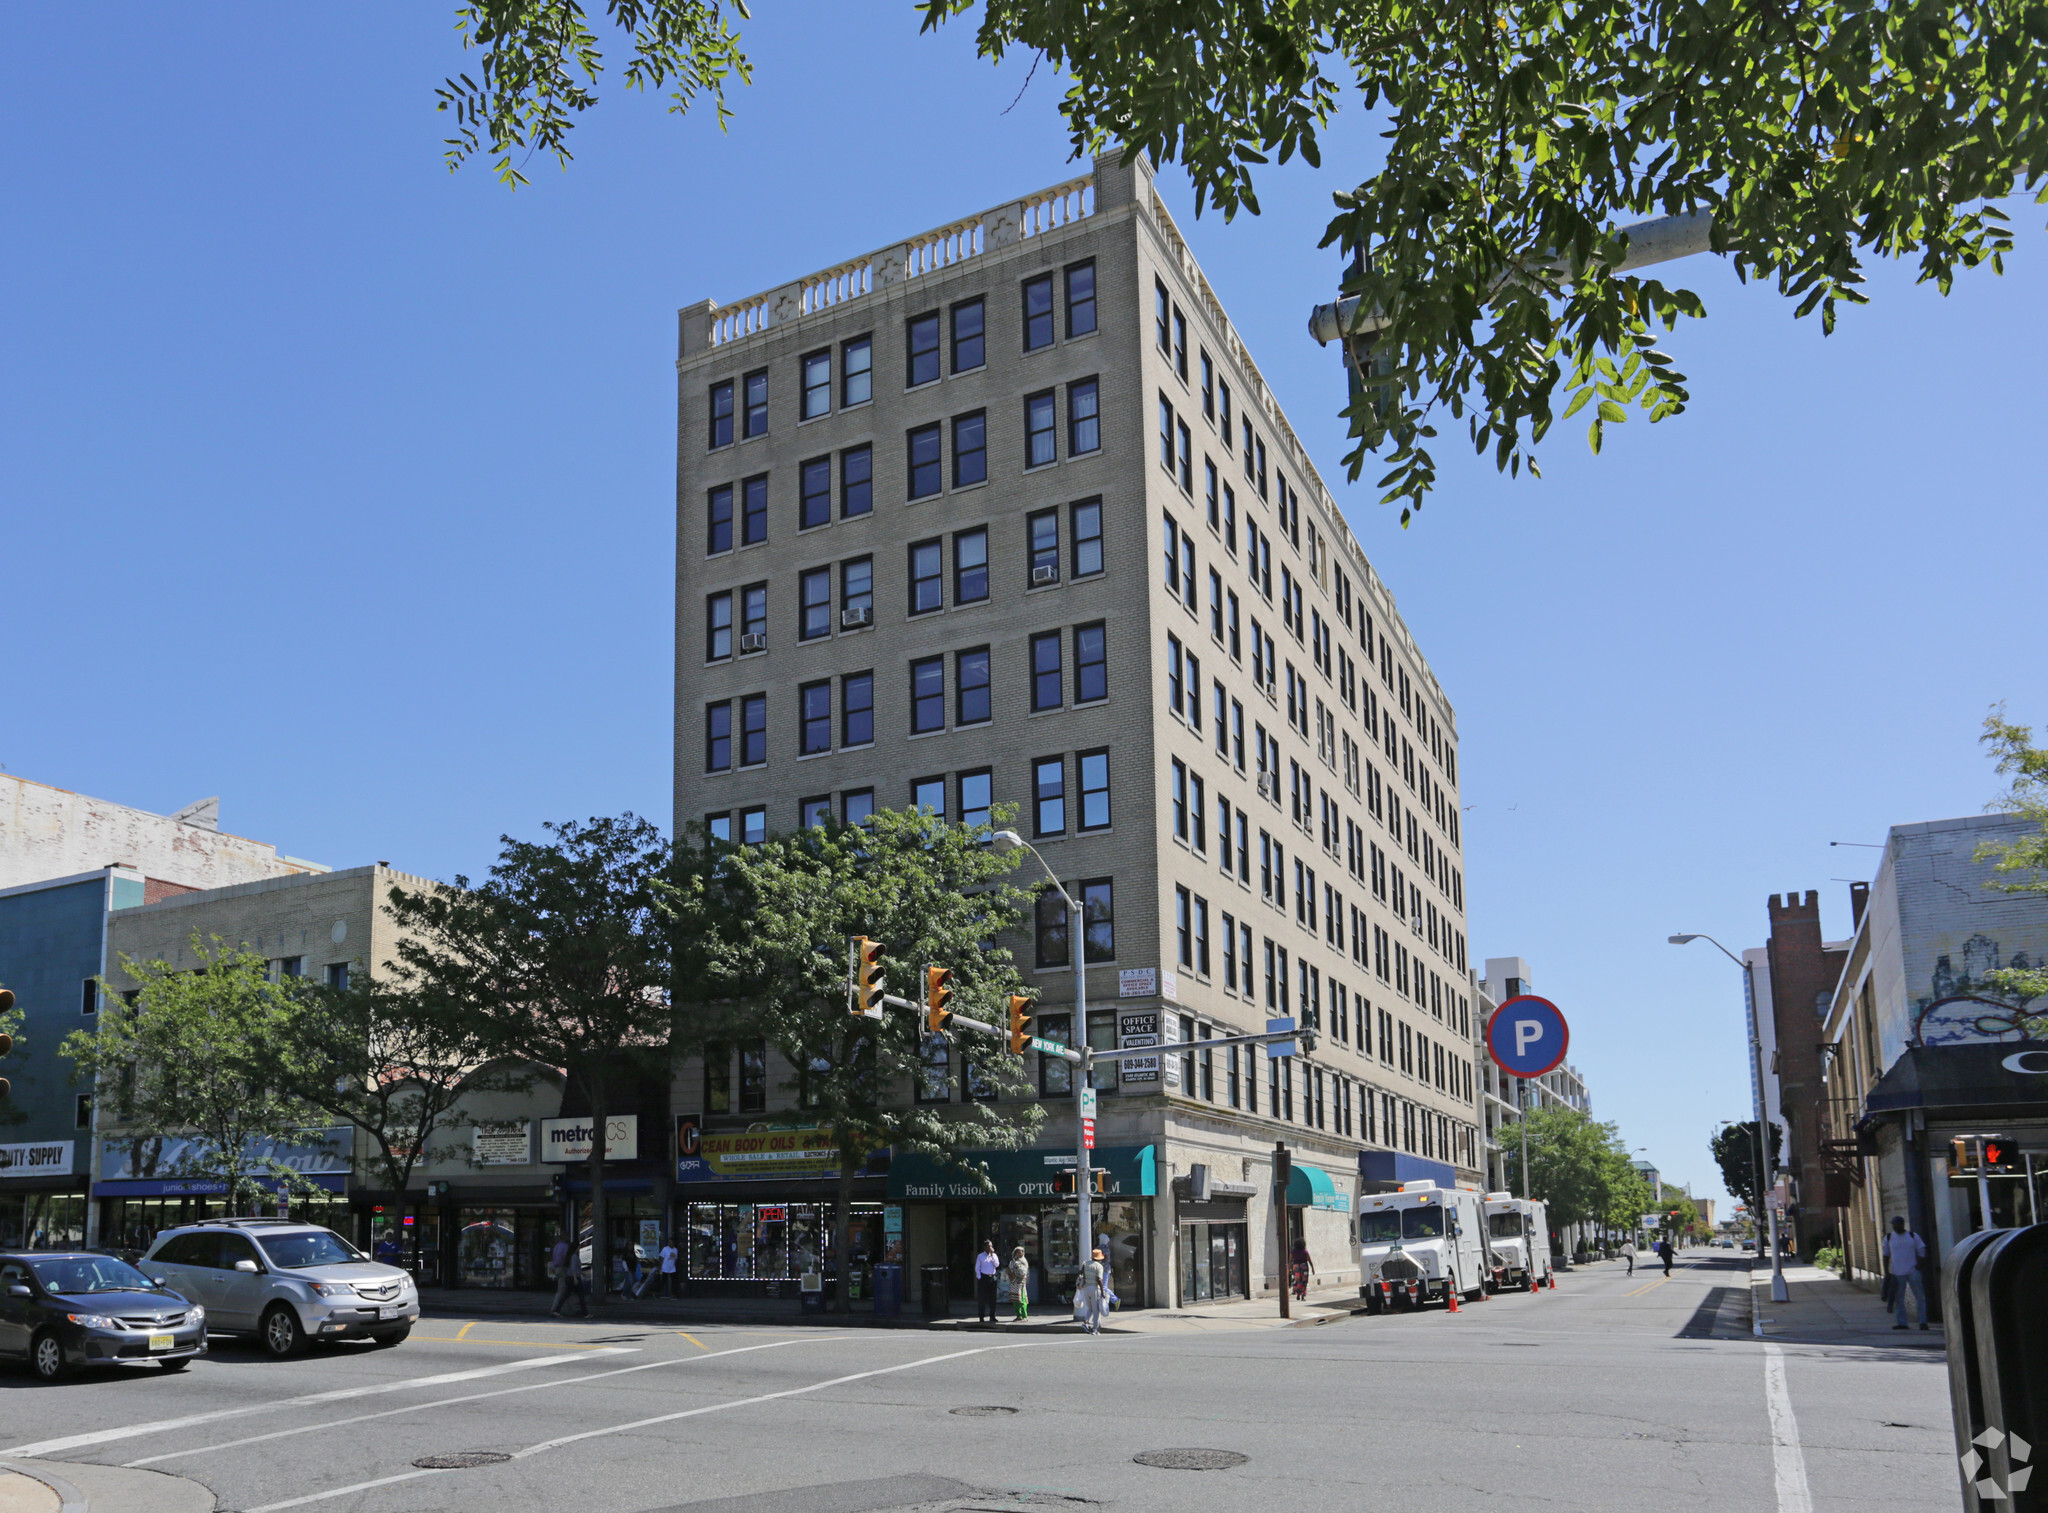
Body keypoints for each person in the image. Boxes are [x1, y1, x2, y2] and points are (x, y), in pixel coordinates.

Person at [1884, 1216, 1929, 1331]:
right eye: (1894, 1224)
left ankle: (1923, 1322)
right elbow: (1886, 1255)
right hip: (1897, 1272)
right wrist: (1887, 1272)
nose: (1895, 1226)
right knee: (1899, 1298)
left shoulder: (1912, 1236)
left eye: (1897, 1224)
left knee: (1920, 1297)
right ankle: (1902, 1323)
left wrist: (1919, 1266)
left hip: (1913, 1271)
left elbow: (1922, 1250)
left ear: (1902, 1224)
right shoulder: (1889, 1238)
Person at [549, 1229, 587, 1318]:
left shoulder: (557, 1246)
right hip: (563, 1269)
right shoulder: (566, 1247)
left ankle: (573, 1309)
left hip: (557, 1268)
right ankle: (554, 1309)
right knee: (561, 1291)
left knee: (567, 1291)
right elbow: (567, 1259)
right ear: (566, 1238)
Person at [1078, 1248, 1109, 1334]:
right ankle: (1095, 1329)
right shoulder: (1099, 1266)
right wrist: (1103, 1292)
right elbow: (1099, 1280)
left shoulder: (1085, 1263)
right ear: (1100, 1258)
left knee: (1090, 1308)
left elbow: (1081, 1273)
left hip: (1086, 1288)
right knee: (1096, 1310)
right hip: (1094, 1288)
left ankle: (1085, 1322)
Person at [974, 1239, 1001, 1325]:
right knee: (982, 1298)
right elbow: (977, 1267)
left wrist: (992, 1255)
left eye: (991, 1246)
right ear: (985, 1247)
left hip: (992, 1277)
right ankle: (981, 1316)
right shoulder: (980, 1256)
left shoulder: (994, 1255)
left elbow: (997, 1265)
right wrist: (979, 1277)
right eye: (989, 1246)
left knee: (993, 1298)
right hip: (984, 1277)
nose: (990, 1248)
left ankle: (992, 1316)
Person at [1007, 1246, 1031, 1323]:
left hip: (1021, 1283)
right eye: (1018, 1251)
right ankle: (1018, 1315)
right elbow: (1009, 1269)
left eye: (1021, 1251)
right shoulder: (1013, 1261)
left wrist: (1015, 1271)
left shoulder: (1023, 1261)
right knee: (1015, 1300)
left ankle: (1024, 1316)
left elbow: (1023, 1272)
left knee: (1022, 1299)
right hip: (1013, 1283)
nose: (1020, 1253)